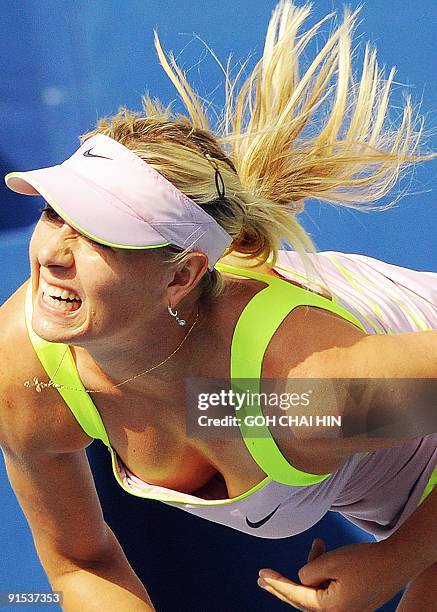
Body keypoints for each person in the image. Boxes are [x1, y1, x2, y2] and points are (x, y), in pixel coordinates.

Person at [1, 1, 436, 610]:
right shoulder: (29, 372)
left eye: (100, 235)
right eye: (54, 214)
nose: (53, 253)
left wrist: (400, 558)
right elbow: (81, 563)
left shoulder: (298, 394)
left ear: (180, 276)